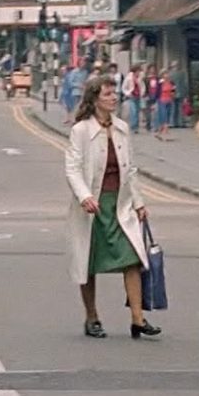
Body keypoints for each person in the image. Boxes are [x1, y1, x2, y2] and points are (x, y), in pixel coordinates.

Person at [64, 75, 159, 340]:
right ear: (95, 99)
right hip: (92, 206)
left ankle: (138, 319)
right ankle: (92, 317)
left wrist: (139, 203)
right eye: (107, 94)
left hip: (120, 203)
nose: (113, 97)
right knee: (88, 264)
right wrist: (84, 196)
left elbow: (130, 171)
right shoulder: (81, 130)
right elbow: (72, 168)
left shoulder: (122, 128)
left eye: (114, 93)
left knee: (132, 259)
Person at [121, 67, 143, 133]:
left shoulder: (140, 78)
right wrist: (127, 93)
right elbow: (124, 87)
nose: (138, 73)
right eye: (138, 71)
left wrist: (142, 93)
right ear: (134, 71)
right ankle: (133, 126)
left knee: (137, 112)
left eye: (139, 71)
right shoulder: (128, 78)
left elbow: (142, 86)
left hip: (138, 96)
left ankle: (136, 126)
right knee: (133, 111)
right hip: (132, 96)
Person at [154, 72, 176, 140]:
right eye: (165, 74)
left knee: (168, 114)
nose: (166, 76)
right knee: (163, 114)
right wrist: (155, 101)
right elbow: (157, 92)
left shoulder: (171, 83)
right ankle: (164, 129)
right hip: (162, 100)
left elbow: (173, 90)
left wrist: (173, 95)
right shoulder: (160, 83)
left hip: (169, 100)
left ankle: (162, 130)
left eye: (167, 74)